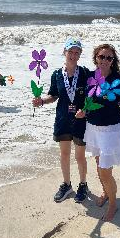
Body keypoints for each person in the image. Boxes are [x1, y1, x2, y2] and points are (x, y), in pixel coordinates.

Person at [76, 44, 120, 222]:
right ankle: (107, 193)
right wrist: (83, 111)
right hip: (93, 128)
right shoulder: (91, 77)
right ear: (96, 58)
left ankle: (113, 204)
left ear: (113, 61)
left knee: (104, 170)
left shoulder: (119, 80)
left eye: (109, 58)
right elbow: (88, 100)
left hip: (111, 129)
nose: (105, 61)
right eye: (101, 57)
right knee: (100, 166)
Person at [33, 38, 89, 203]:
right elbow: (54, 95)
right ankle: (67, 184)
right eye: (70, 51)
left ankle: (83, 184)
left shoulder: (85, 73)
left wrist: (85, 110)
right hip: (63, 119)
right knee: (64, 154)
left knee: (80, 156)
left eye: (76, 52)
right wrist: (42, 101)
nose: (73, 55)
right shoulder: (57, 74)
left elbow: (92, 95)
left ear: (80, 54)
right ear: (64, 52)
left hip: (80, 120)